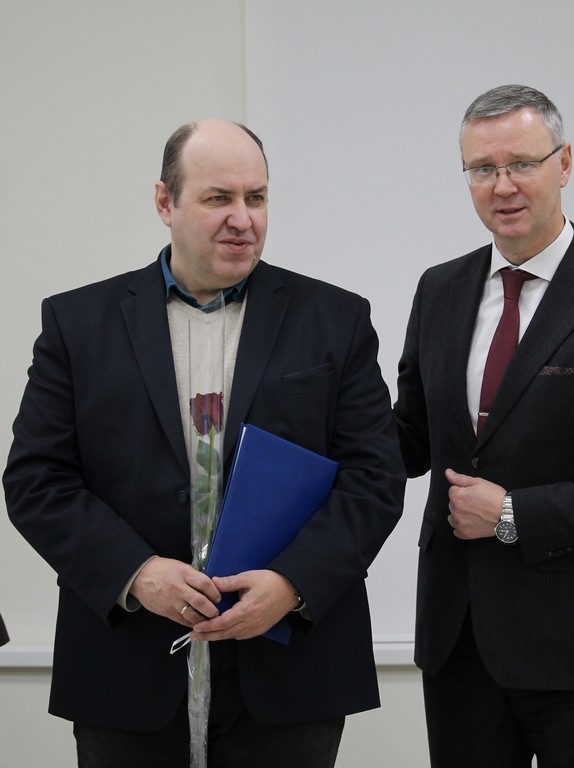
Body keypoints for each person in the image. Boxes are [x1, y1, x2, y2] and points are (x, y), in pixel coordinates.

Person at [4, 118, 405, 767]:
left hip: (288, 670)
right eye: (219, 198)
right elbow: (36, 481)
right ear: (165, 202)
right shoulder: (77, 324)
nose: (242, 219)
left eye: (257, 197)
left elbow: (374, 478)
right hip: (126, 664)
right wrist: (137, 574)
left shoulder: (337, 320)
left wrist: (292, 583)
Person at [393, 85, 574, 767]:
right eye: (482, 168)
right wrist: (310, 426)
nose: (502, 186)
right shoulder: (439, 290)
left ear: (564, 164)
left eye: (522, 163)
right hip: (459, 644)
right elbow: (409, 437)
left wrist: (511, 515)